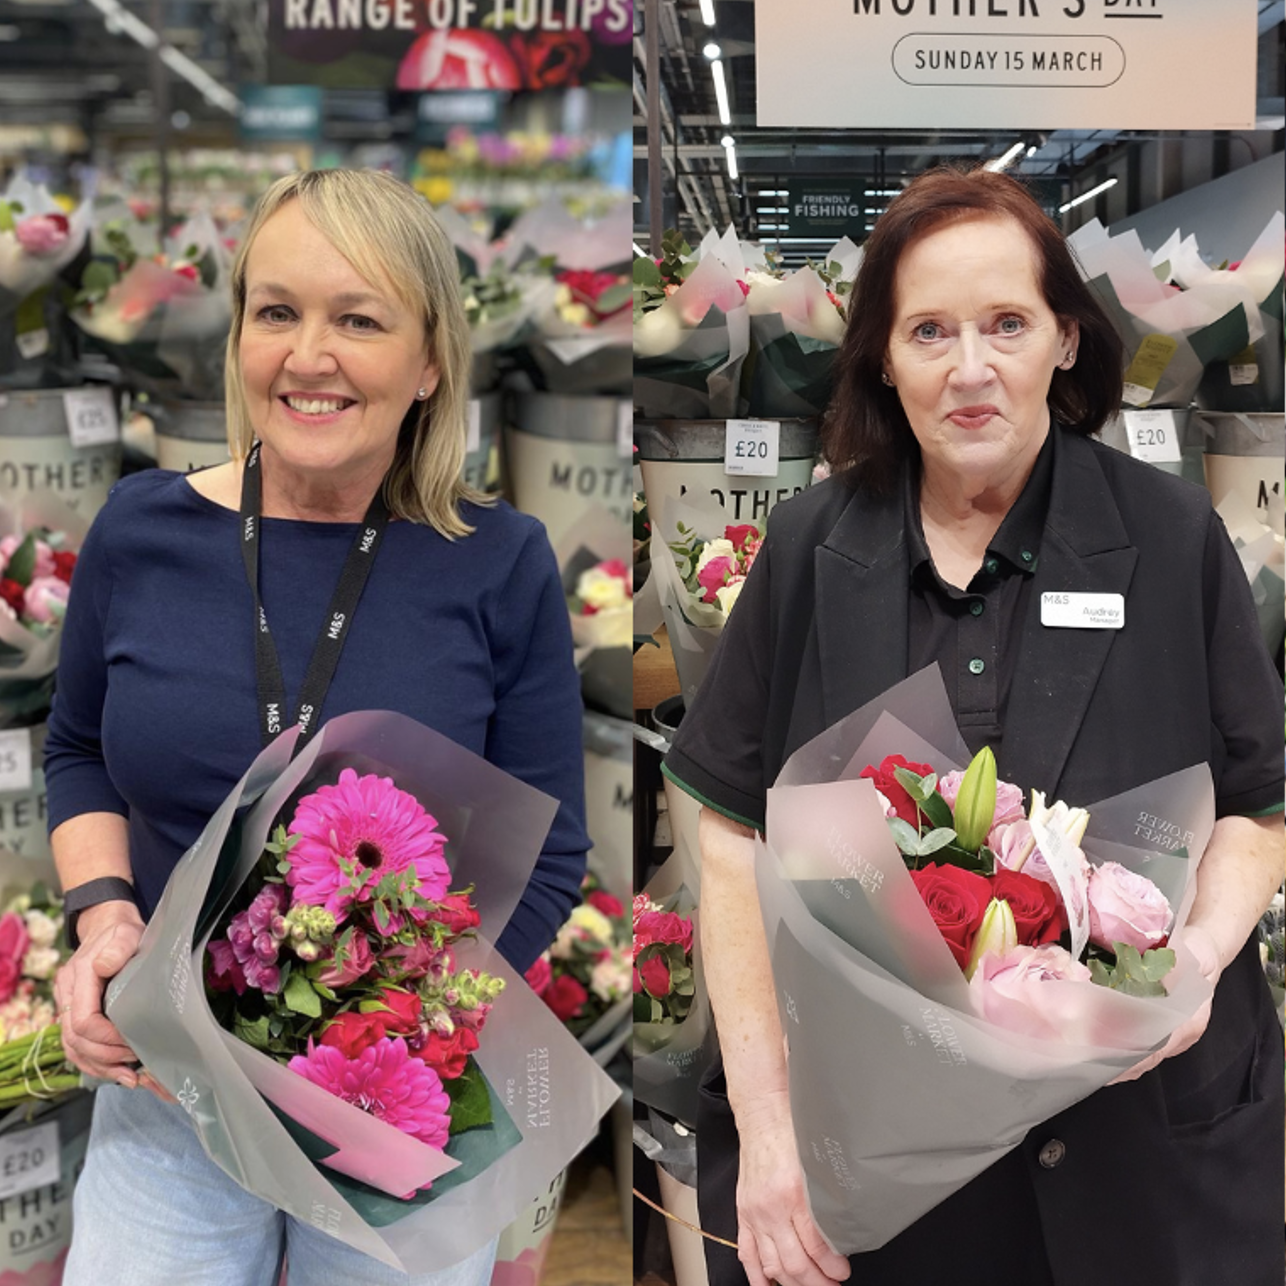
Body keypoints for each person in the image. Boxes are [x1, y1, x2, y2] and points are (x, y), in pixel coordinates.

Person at [661, 167, 1284, 1286]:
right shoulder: (809, 551)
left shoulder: (1170, 533)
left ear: (1063, 338)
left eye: (1006, 323)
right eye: (928, 331)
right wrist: (767, 1123)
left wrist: (1190, 961)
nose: (969, 368)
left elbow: (1258, 802)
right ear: (881, 358)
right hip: (886, 1166)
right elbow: (730, 838)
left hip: (1142, 1152)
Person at [44, 168, 590, 1286]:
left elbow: (548, 857)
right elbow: (81, 750)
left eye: (358, 320)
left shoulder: (499, 562)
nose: (308, 355)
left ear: (430, 360)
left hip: (388, 1109)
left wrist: (393, 1023)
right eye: (277, 312)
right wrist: (104, 922)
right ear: (239, 334)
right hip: (167, 1092)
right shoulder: (139, 531)